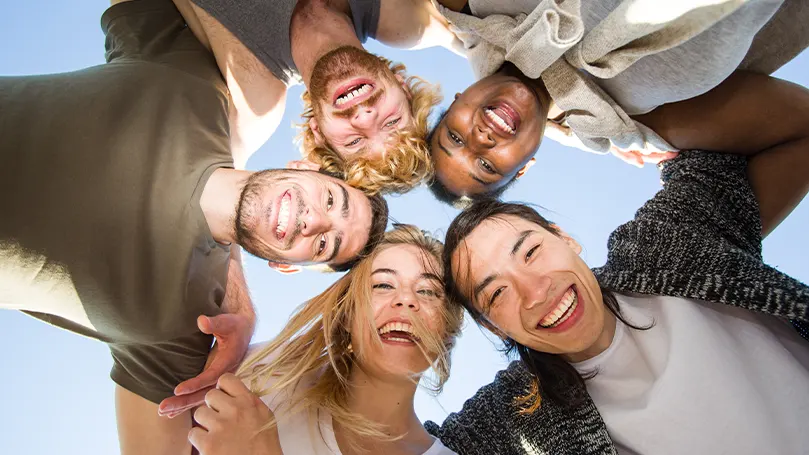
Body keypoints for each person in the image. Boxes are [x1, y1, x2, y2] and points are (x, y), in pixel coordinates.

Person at [0, 2, 388, 453]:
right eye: (330, 200)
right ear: (304, 166)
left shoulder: (184, 327)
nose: (315, 220)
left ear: (287, 266)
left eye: (324, 244)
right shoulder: (199, 89)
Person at [427, 145, 809, 453]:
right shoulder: (512, 413)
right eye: (496, 293)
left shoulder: (661, 245)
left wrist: (608, 126)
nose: (536, 291)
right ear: (493, 326)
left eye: (529, 252)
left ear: (565, 239)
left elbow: (770, 134)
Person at [426, 0, 809, 204]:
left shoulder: (470, 10)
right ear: (525, 169)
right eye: (487, 166)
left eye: (455, 138)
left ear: (457, 98)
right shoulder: (637, 125)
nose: (479, 141)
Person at [182, 225, 463, 455]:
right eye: (383, 285)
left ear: (448, 333)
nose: (405, 300)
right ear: (347, 316)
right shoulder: (263, 373)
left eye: (428, 292)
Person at [171, 0, 462, 194]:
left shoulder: (254, 97)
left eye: (354, 141)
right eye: (391, 122)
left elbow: (207, 187)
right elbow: (482, 36)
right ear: (404, 89)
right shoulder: (405, 19)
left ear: (318, 134)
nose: (364, 117)